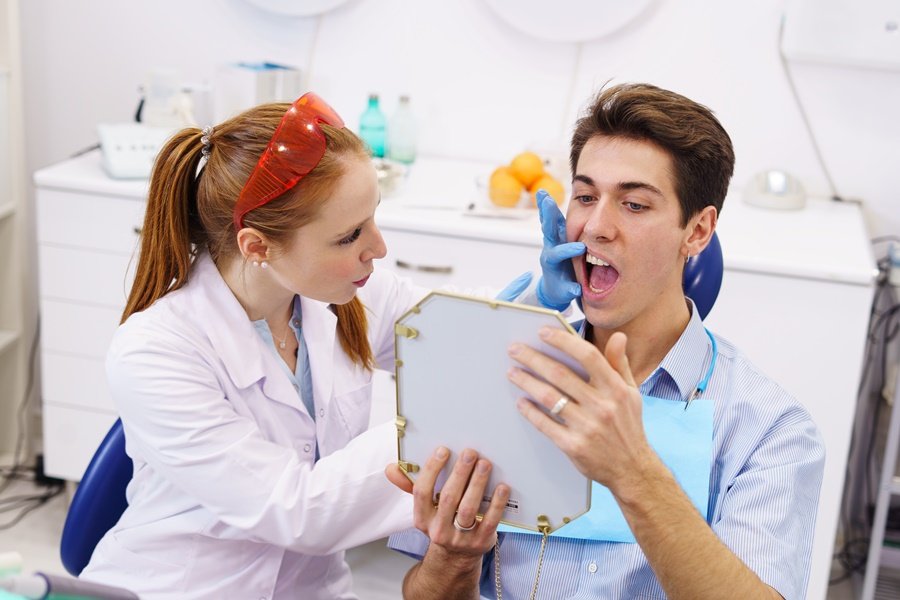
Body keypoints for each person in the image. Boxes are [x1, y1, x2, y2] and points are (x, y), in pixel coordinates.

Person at [386, 83, 826, 599]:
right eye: (586, 196)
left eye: (635, 204)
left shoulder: (769, 431)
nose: (596, 226)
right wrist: (452, 558)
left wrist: (632, 471)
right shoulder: (503, 378)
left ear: (698, 232)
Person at [78, 93, 425, 599]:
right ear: (258, 246)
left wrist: (550, 294)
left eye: (373, 218)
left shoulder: (347, 294)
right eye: (350, 235)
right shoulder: (156, 351)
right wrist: (427, 428)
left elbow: (454, 326)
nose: (379, 247)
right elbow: (297, 512)